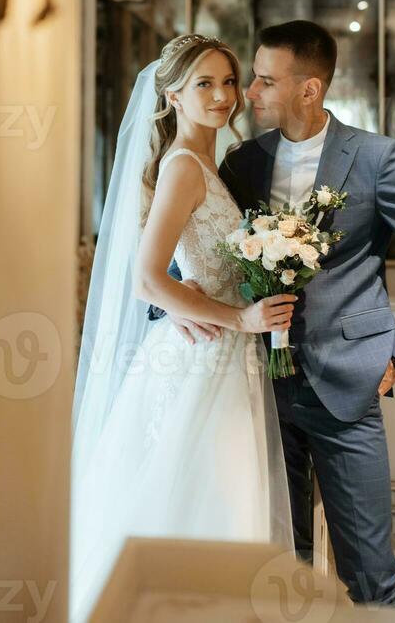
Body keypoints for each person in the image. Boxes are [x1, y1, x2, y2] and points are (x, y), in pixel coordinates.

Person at [150, 19, 395, 607]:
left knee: (372, 572)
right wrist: (175, 307)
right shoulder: (242, 162)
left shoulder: (376, 159)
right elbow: (197, 246)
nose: (246, 93)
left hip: (347, 385)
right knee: (278, 564)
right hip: (253, 391)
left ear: (310, 89)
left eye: (264, 81)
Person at [69, 34, 295, 623]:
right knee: (205, 495)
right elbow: (145, 281)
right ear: (170, 95)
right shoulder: (184, 169)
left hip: (224, 355)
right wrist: (239, 316)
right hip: (202, 357)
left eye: (227, 81)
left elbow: (186, 268)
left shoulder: (209, 167)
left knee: (224, 497)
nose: (223, 95)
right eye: (204, 84)